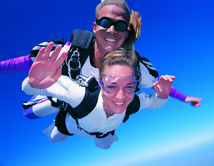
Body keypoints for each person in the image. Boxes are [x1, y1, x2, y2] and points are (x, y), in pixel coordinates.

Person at [3, 0, 201, 119]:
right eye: (105, 22)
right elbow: (24, 63)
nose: (112, 30)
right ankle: (56, 100)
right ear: (95, 27)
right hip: (61, 91)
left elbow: (160, 86)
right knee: (29, 114)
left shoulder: (133, 66)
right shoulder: (70, 53)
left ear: (126, 32)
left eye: (120, 26)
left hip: (90, 104)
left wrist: (185, 98)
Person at [22, 46, 175, 149]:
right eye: (112, 85)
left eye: (129, 86)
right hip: (69, 125)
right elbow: (30, 87)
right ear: (101, 82)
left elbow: (155, 103)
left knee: (105, 146)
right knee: (54, 137)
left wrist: (162, 95)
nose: (121, 96)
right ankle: (55, 104)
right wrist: (34, 83)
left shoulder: (132, 102)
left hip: (104, 133)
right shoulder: (79, 96)